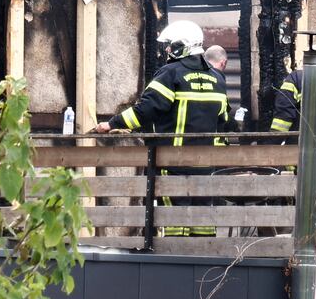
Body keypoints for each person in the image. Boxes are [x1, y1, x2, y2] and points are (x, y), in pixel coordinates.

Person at [95, 20, 228, 236]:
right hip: (206, 166)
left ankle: (173, 259)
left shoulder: (170, 74)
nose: (167, 49)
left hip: (173, 163)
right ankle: (203, 259)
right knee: (202, 218)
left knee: (173, 219)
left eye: (171, 45)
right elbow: (223, 121)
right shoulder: (217, 79)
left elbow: (145, 110)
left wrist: (111, 124)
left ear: (182, 46)